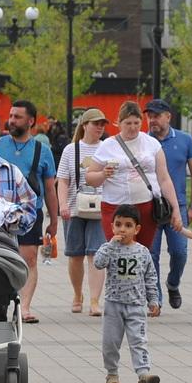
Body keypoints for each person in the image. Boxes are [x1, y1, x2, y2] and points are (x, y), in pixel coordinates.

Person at [84, 100, 182, 316]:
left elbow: (164, 178)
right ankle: (116, 300)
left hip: (145, 205)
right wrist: (102, 175)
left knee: (142, 254)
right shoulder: (107, 145)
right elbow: (90, 177)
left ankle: (143, 299)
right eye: (128, 123)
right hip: (115, 206)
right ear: (118, 123)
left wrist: (175, 209)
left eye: (137, 122)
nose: (133, 127)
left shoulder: (151, 144)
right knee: (117, 251)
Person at [0, 99, 58, 322]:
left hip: (30, 212)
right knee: (0, 258)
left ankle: (24, 307)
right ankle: (0, 302)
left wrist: (54, 219)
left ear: (31, 121)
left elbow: (50, 188)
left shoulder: (43, 150)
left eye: (17, 117)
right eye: (11, 116)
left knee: (29, 259)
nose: (11, 120)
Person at [92, 209, 161, 383]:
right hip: (113, 304)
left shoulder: (143, 252)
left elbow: (150, 277)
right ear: (112, 226)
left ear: (137, 229)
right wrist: (109, 245)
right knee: (111, 342)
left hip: (136, 305)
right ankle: (112, 373)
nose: (123, 229)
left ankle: (144, 374)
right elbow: (98, 263)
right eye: (119, 225)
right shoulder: (108, 248)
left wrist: (153, 300)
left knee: (138, 341)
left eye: (128, 226)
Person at [144, 99, 192, 309]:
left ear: (168, 116)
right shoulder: (143, 141)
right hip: (150, 207)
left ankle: (173, 283)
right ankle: (155, 298)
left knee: (180, 252)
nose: (152, 120)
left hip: (177, 207)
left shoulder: (185, 140)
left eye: (157, 116)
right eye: (150, 116)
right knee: (151, 254)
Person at [55, 109, 111, 315]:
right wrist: (62, 205)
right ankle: (78, 294)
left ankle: (95, 300)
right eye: (96, 123)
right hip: (74, 208)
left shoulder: (108, 148)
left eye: (102, 124)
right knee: (75, 255)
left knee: (96, 253)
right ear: (85, 125)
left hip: (100, 207)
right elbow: (62, 180)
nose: (100, 127)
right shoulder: (71, 150)